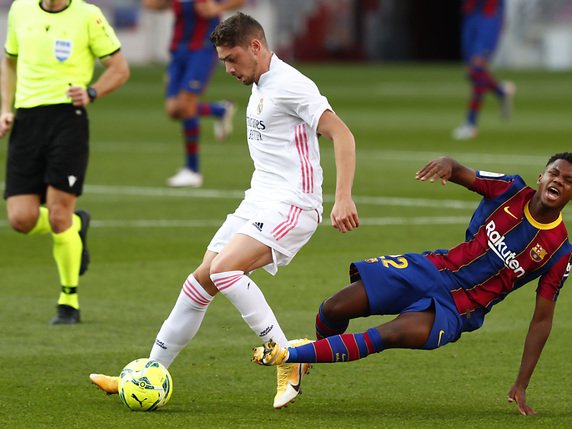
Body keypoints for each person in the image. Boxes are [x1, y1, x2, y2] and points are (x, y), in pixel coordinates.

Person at [90, 12, 360, 409]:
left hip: (293, 204)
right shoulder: (261, 82)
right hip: (258, 200)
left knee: (224, 269)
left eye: (233, 59)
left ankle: (289, 359)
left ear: (256, 46)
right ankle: (150, 370)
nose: (229, 69)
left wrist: (343, 197)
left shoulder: (292, 85)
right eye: (223, 62)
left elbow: (342, 134)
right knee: (200, 281)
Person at [253, 153, 572, 416]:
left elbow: (542, 319)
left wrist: (522, 383)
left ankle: (290, 355)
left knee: (387, 334)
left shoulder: (560, 251)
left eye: (568, 180)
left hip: (458, 309)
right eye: (554, 173)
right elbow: (461, 171)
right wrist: (447, 164)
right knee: (333, 308)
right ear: (541, 176)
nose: (559, 181)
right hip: (433, 269)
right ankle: (305, 359)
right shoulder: (510, 189)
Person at [0, 0, 130, 324]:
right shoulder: (20, 10)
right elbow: (9, 62)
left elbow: (119, 68)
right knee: (21, 219)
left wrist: (93, 92)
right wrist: (6, 108)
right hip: (27, 122)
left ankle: (68, 301)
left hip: (67, 121)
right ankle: (77, 224)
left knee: (59, 216)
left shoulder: (88, 16)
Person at [142, 0, 245, 187]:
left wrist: (217, 8)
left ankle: (192, 170)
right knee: (173, 110)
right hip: (178, 48)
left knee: (185, 105)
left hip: (202, 48)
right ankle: (219, 110)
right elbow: (153, 5)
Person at [452, 0, 516, 140]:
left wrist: (502, 20)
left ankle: (470, 124)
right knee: (472, 71)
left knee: (478, 68)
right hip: (471, 16)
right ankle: (501, 92)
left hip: (488, 18)